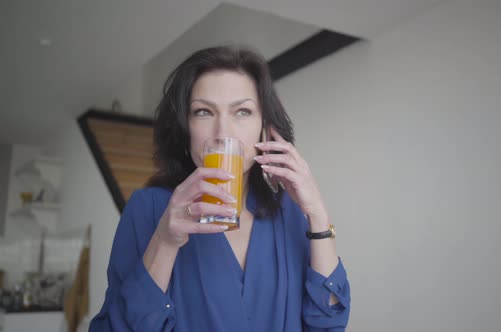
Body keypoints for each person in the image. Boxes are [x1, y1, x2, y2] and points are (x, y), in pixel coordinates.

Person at [89, 46, 350, 331]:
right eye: (203, 111)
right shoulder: (148, 209)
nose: (223, 131)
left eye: (242, 111)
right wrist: (164, 240)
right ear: (185, 128)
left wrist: (317, 213)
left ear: (264, 127)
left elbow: (327, 323)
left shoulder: (287, 211)